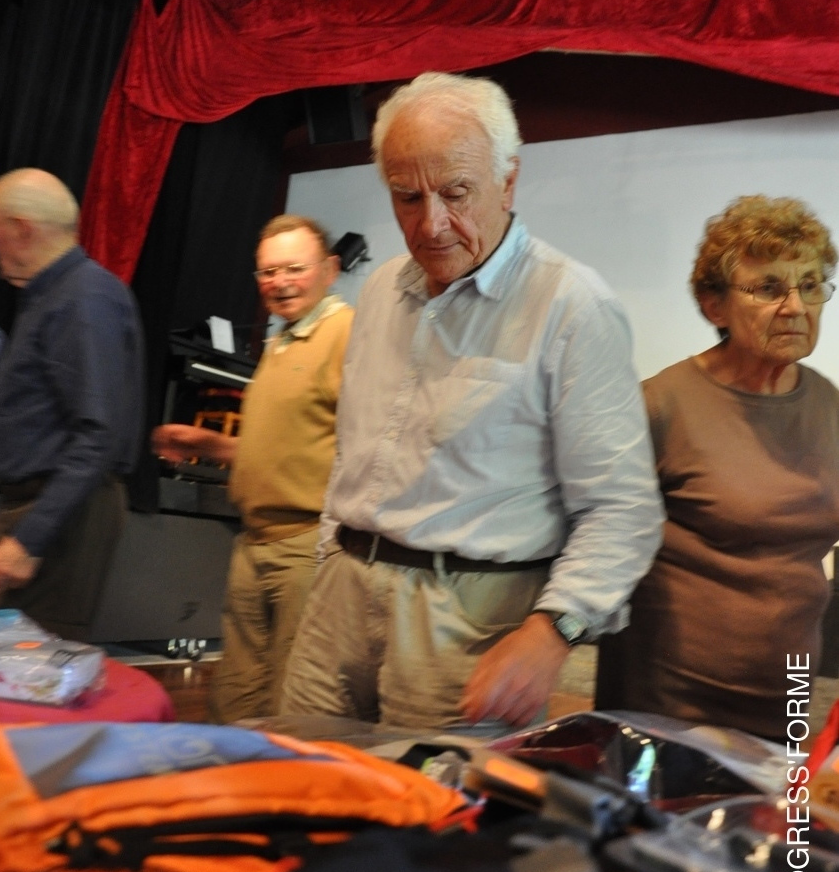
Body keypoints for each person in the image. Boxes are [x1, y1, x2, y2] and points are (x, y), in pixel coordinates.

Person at [280, 72, 663, 731]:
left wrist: (553, 632)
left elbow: (621, 509)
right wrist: (328, 563)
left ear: (508, 180)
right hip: (339, 602)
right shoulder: (379, 292)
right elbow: (356, 453)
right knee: (300, 778)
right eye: (406, 197)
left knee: (437, 797)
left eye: (456, 193)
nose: (431, 224)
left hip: (467, 626)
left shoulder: (572, 306)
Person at [595, 194, 839, 741]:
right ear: (714, 307)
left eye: (810, 285)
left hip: (788, 692)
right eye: (769, 288)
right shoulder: (659, 406)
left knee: (785, 802)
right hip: (670, 701)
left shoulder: (828, 406)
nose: (795, 306)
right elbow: (599, 539)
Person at [152, 215, 353, 722]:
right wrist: (211, 444)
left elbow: (370, 444)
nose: (280, 282)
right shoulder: (283, 340)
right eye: (267, 272)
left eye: (294, 268)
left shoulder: (346, 334)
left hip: (307, 547)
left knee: (291, 703)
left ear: (330, 270)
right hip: (255, 543)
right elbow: (285, 445)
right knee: (234, 699)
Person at [0, 168, 144, 640]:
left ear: (22, 228)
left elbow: (98, 433)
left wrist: (29, 538)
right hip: (43, 504)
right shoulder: (53, 295)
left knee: (32, 668)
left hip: (62, 512)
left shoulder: (83, 297)